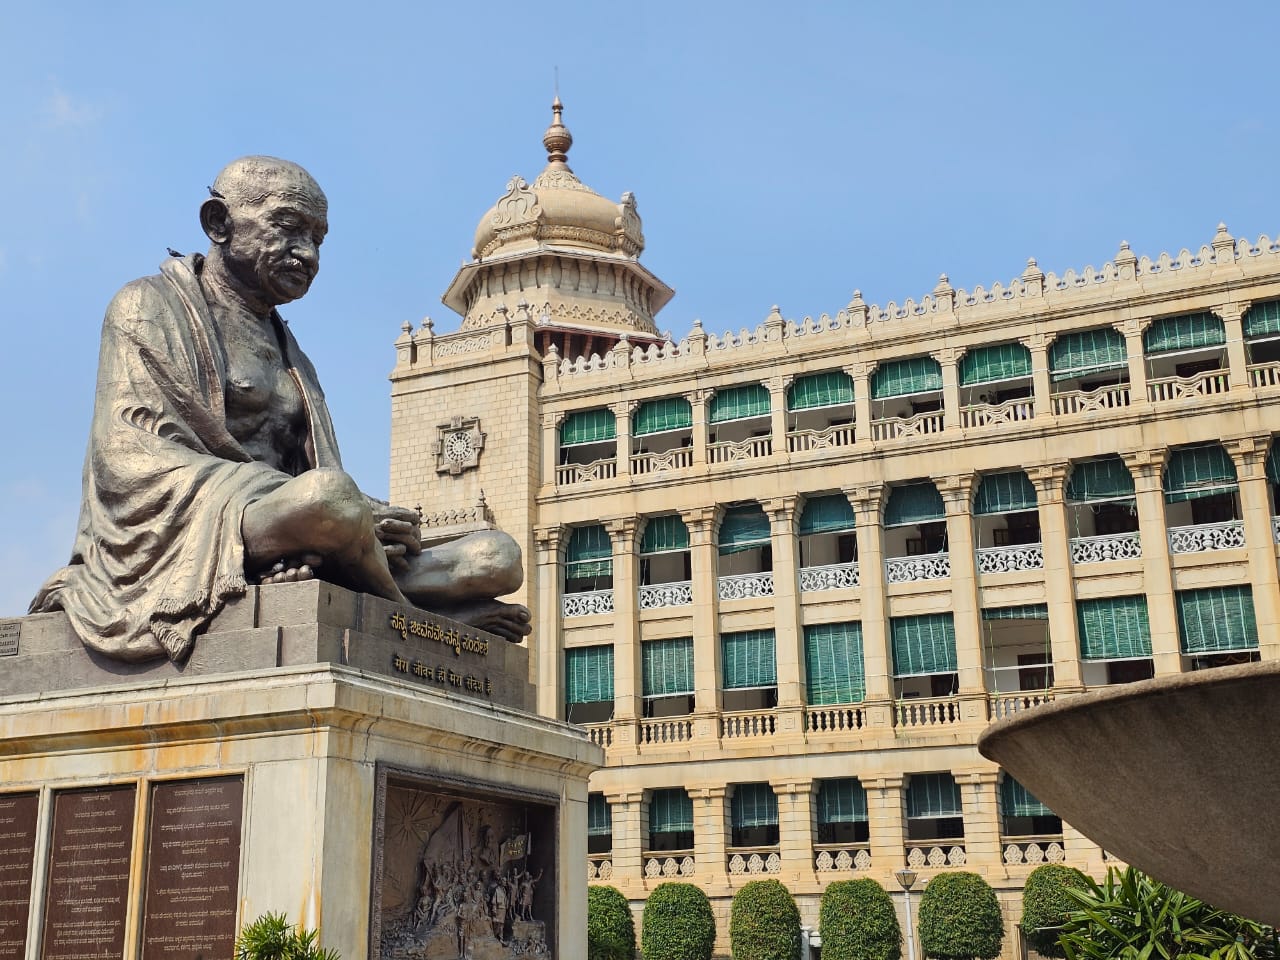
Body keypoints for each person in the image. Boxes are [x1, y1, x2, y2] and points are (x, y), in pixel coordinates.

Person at [30, 156, 531, 662]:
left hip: (303, 532)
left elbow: (317, 477)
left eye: (318, 238)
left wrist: (372, 520)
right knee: (331, 499)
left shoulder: (293, 355)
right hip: (188, 532)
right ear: (219, 223)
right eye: (289, 228)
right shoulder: (146, 306)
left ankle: (380, 590)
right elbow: (130, 459)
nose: (307, 253)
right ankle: (412, 614)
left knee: (497, 555)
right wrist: (333, 504)